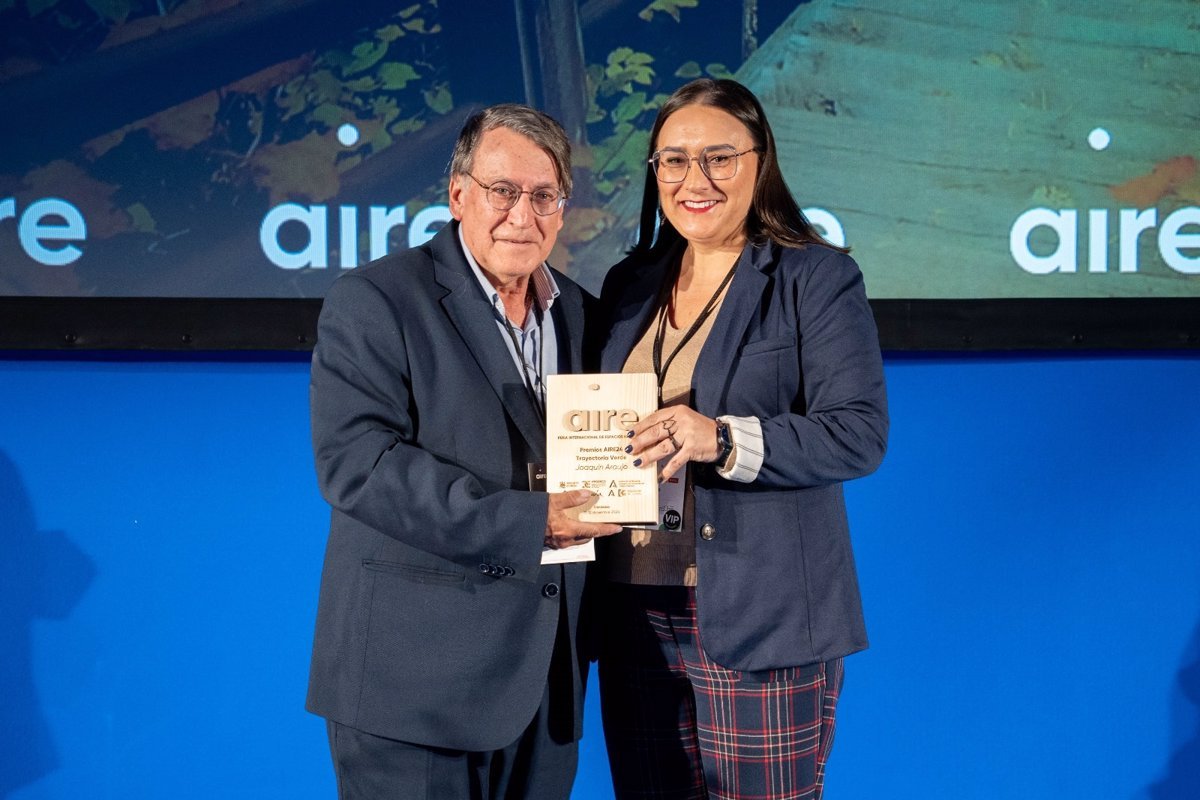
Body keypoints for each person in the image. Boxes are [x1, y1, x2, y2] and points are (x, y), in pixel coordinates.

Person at [306, 103, 621, 800]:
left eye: (544, 197)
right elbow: (359, 464)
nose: (522, 214)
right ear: (458, 195)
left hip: (545, 684)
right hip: (415, 685)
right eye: (502, 191)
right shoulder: (377, 299)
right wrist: (530, 522)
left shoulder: (581, 312)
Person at [591, 78, 889, 799]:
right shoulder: (630, 282)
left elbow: (858, 433)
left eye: (719, 157)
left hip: (761, 613)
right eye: (673, 160)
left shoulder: (813, 278)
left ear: (760, 164)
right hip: (633, 606)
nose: (695, 180)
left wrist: (721, 438)